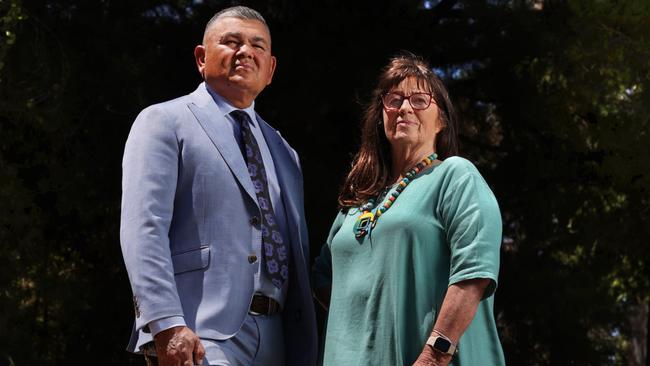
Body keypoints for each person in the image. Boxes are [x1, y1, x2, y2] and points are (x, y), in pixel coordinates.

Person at [120, 6, 316, 366]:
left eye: (258, 45)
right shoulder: (165, 121)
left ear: (270, 69)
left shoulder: (285, 152)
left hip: (280, 340)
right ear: (201, 58)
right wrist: (166, 324)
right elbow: (143, 228)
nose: (245, 52)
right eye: (231, 42)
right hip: (200, 334)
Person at [312, 53, 505, 366]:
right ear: (381, 116)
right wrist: (363, 327)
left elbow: (474, 272)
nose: (404, 108)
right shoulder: (357, 202)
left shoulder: (455, 176)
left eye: (419, 100)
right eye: (394, 100)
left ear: (442, 119)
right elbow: (322, 277)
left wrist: (433, 355)